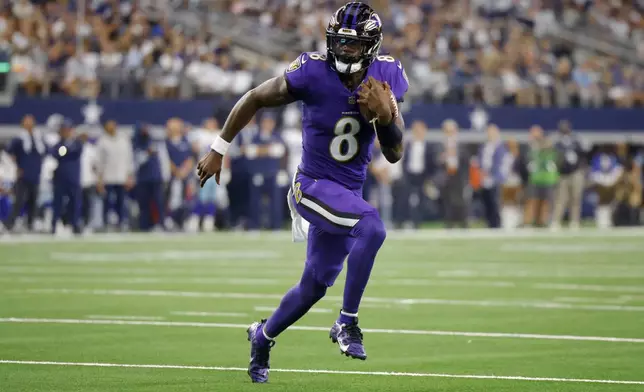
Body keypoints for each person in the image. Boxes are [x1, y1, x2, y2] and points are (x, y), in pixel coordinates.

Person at [197, 2, 407, 383]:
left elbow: (394, 154)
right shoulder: (311, 72)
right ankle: (347, 324)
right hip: (310, 186)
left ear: (371, 46)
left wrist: (385, 118)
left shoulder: (386, 76)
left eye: (353, 45)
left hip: (346, 192)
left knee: (314, 286)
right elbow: (256, 97)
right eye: (340, 43)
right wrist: (218, 148)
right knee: (372, 226)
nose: (344, 50)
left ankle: (262, 336)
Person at [3, 115, 46, 233]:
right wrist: (15, 168)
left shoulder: (39, 138)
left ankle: (31, 224)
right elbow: (8, 153)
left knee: (33, 200)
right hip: (23, 174)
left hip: (35, 174)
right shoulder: (19, 139)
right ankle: (9, 224)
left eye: (31, 122)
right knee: (19, 201)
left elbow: (45, 152)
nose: (29, 125)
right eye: (27, 122)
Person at [96, 120, 134, 231]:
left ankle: (122, 222)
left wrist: (129, 176)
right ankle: (106, 223)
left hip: (122, 176)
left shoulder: (123, 140)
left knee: (121, 201)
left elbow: (129, 159)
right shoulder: (102, 141)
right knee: (107, 202)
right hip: (108, 176)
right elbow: (99, 161)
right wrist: (99, 179)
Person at [50, 119, 86, 235]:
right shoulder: (59, 143)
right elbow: (57, 153)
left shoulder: (77, 143)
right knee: (58, 203)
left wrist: (65, 150)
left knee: (75, 203)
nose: (66, 132)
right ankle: (54, 225)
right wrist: (65, 149)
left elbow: (74, 152)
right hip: (60, 178)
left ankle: (75, 225)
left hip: (73, 178)